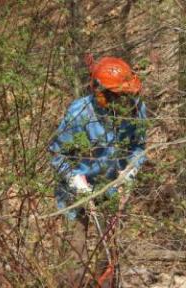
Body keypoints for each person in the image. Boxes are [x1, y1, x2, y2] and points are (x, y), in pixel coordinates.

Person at [49, 56, 147, 285]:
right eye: (119, 96)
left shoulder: (136, 110)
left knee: (112, 247)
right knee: (75, 248)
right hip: (76, 184)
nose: (125, 100)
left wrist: (129, 174)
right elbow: (57, 152)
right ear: (102, 93)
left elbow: (138, 146)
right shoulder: (80, 113)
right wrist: (75, 180)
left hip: (113, 185)